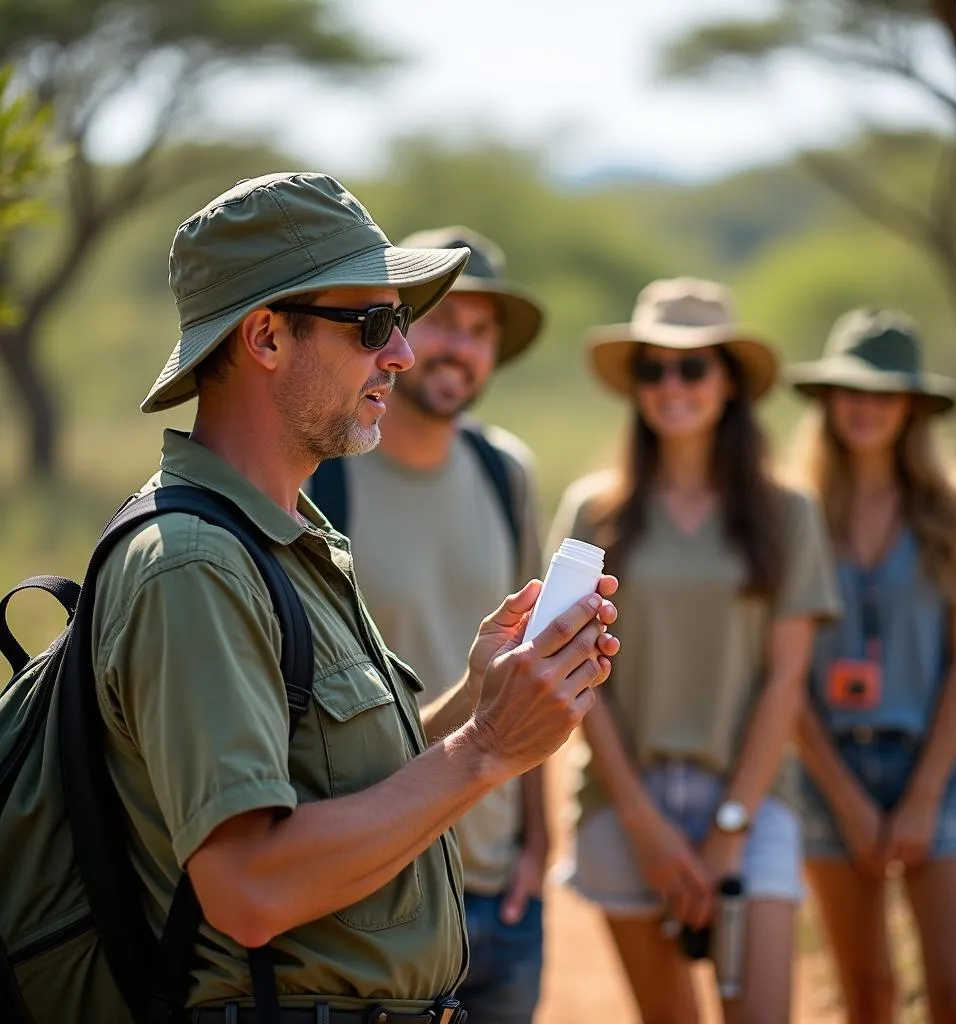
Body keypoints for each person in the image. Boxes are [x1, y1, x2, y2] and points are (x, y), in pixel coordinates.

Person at [92, 171, 619, 1021]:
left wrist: (471, 709)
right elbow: (248, 888)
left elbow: (342, 792)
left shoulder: (286, 538)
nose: (402, 356)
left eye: (400, 324)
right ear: (265, 336)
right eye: (374, 324)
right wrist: (485, 748)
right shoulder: (193, 565)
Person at [549, 278, 840, 1024]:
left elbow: (785, 680)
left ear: (730, 381)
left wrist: (728, 831)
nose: (671, 386)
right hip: (623, 801)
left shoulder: (787, 512)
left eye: (693, 367)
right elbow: (578, 673)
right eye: (653, 369)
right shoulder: (595, 509)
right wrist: (646, 826)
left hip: (751, 800)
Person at [307, 226, 549, 1024]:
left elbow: (528, 659)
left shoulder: (503, 469)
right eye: (444, 319)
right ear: (393, 333)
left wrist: (539, 846)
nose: (460, 348)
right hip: (382, 889)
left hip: (501, 888)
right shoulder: (323, 476)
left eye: (482, 331)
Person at [788, 309, 956, 1024]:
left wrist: (926, 794)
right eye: (851, 389)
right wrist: (846, 797)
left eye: (884, 392)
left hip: (933, 768)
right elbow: (784, 674)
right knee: (867, 998)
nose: (865, 406)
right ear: (828, 400)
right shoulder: (795, 511)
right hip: (826, 770)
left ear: (912, 406)